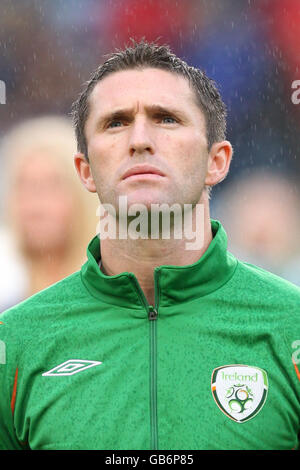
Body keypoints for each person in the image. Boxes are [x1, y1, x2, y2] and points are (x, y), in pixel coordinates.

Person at [0, 40, 299, 451]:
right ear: (85, 171)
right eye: (116, 123)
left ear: (218, 161)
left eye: (166, 119)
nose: (140, 139)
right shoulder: (15, 342)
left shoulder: (291, 326)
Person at [0, 116, 99, 312]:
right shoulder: (8, 307)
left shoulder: (110, 302)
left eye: (52, 185)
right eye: (24, 185)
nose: (35, 204)